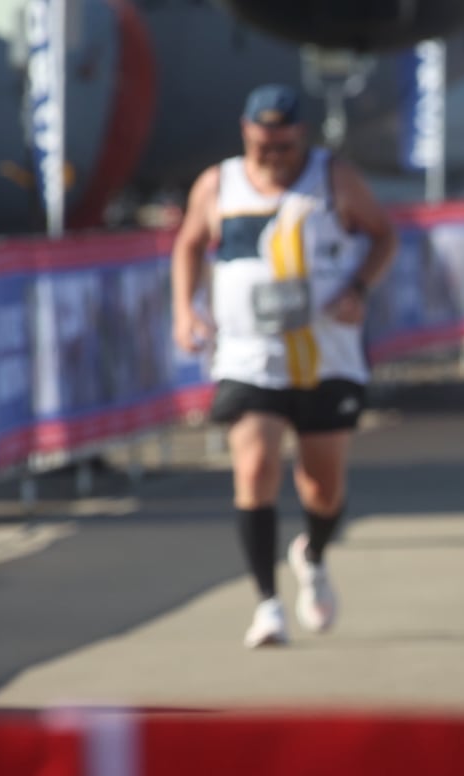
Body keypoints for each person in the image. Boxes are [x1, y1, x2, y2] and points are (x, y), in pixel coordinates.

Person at [171, 84, 395, 648]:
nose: (273, 155)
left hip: (327, 355)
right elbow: (190, 244)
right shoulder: (218, 183)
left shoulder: (333, 177)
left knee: (322, 489)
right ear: (247, 132)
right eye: (263, 143)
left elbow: (383, 235)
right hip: (250, 356)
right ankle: (268, 605)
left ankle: (312, 553)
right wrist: (185, 309)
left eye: (284, 145)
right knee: (254, 468)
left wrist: (360, 290)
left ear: (302, 136)